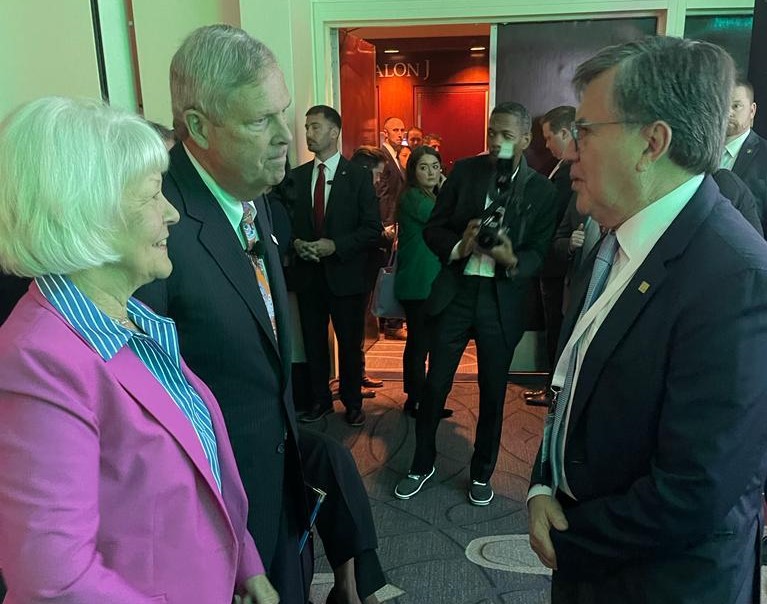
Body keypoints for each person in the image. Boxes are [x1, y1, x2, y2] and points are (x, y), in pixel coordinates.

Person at [0, 96, 277, 603]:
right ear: (88, 212)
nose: (171, 213)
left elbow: (200, 472)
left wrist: (246, 565)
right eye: (153, 195)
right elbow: (55, 584)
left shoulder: (133, 321)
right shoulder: (37, 361)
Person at [527, 36, 767, 604]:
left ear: (651, 143)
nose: (571, 150)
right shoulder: (615, 236)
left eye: (585, 131)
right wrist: (542, 482)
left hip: (663, 582)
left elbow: (697, 490)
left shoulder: (736, 278)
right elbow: (577, 382)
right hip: (598, 563)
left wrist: (569, 539)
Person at [134, 25, 308, 602]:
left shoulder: (250, 188)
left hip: (277, 491)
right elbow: (151, 421)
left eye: (284, 112)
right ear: (200, 126)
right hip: (215, 529)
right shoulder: (155, 223)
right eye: (262, 120)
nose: (287, 135)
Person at [394, 102, 557, 506]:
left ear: (524, 138)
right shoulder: (465, 172)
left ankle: (482, 471)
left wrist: (512, 259)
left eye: (505, 135)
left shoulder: (543, 190)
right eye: (491, 133)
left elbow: (540, 250)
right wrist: (459, 245)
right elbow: (434, 228)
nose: (496, 141)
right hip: (456, 293)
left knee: (493, 393)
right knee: (435, 386)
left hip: (502, 300)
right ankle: (421, 462)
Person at [289, 105, 381, 427]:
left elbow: (372, 229)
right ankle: (320, 400)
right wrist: (297, 244)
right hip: (309, 276)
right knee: (314, 343)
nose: (308, 133)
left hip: (346, 277)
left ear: (334, 132)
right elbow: (286, 224)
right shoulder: (297, 177)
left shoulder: (357, 177)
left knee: (349, 345)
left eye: (315, 127)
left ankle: (353, 403)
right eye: (306, 127)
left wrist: (335, 246)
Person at [525, 106, 577, 405]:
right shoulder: (560, 167)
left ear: (565, 132)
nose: (545, 145)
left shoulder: (572, 171)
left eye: (548, 137)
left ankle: (554, 390)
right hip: (550, 262)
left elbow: (555, 215)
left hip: (558, 265)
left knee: (558, 329)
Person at [394, 145, 449, 418]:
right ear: (413, 171)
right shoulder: (414, 198)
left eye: (435, 166)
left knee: (427, 342)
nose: (430, 172)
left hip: (429, 282)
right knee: (419, 344)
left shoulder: (429, 195)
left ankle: (422, 399)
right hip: (418, 283)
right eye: (423, 167)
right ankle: (416, 399)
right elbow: (445, 218)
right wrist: (448, 188)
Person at [722, 78, 767, 234]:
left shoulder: (764, 156)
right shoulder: (700, 148)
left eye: (736, 106)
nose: (728, 113)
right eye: (723, 105)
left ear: (752, 110)